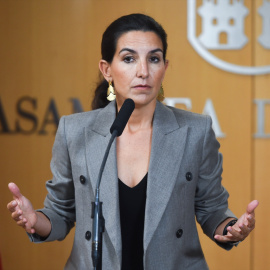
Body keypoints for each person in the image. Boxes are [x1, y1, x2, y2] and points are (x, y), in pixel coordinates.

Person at [7, 13, 258, 270]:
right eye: (129, 59)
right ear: (107, 70)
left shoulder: (196, 130)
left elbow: (211, 208)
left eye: (154, 59)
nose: (143, 71)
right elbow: (61, 212)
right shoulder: (75, 131)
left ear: (165, 67)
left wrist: (230, 227)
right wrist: (34, 219)